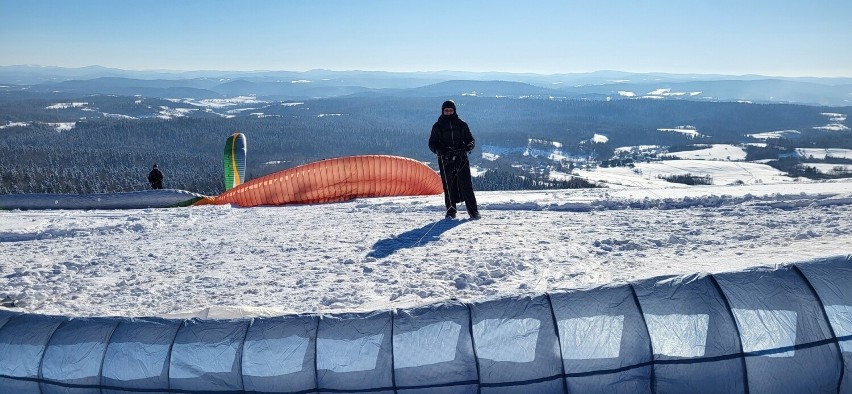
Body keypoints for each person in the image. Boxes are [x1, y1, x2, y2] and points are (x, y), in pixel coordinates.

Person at [429, 100, 480, 219]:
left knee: (466, 185)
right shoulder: (437, 126)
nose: (448, 112)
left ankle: (473, 212)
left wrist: (469, 146)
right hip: (445, 159)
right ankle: (451, 211)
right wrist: (439, 151)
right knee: (448, 185)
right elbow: (432, 143)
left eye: (450, 110)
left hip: (461, 158)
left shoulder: (462, 124)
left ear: (454, 110)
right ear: (443, 111)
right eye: (446, 110)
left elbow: (470, 139)